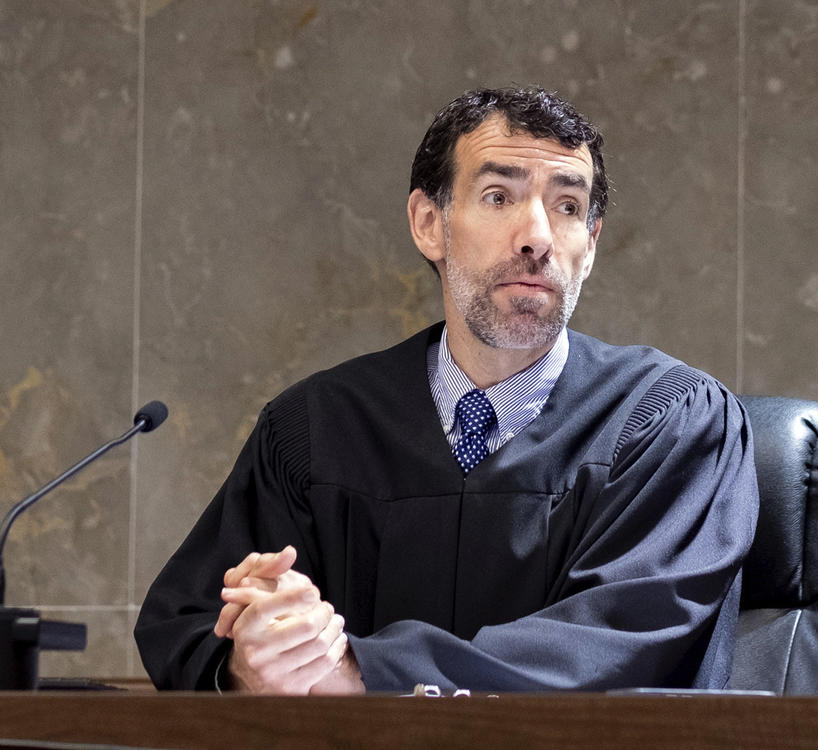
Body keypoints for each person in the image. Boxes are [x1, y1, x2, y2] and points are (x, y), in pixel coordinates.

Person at [134, 87, 759, 694]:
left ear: (590, 246)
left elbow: (620, 642)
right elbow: (186, 624)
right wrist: (257, 658)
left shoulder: (672, 424)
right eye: (498, 196)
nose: (537, 236)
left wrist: (361, 672)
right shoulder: (316, 430)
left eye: (568, 206)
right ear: (428, 223)